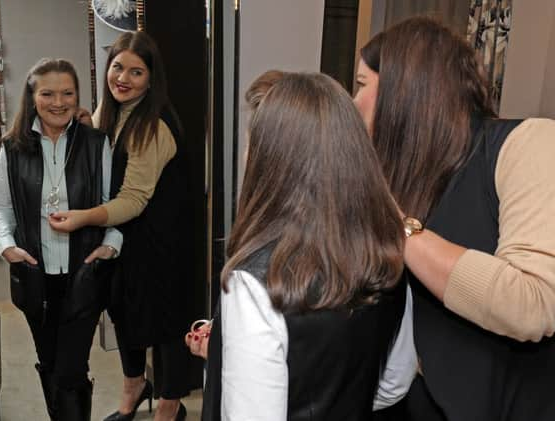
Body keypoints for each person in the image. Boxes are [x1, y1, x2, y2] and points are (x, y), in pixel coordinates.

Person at [354, 16, 555, 421]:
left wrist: (398, 226)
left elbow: (533, 303)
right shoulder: (410, 181)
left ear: (403, 89)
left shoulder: (528, 143)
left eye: (360, 84)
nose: (352, 101)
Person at [196, 70, 417, 421]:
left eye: (252, 141)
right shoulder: (387, 254)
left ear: (271, 159)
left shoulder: (254, 282)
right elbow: (393, 383)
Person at [48, 31, 190, 421]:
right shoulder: (109, 111)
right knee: (123, 313)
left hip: (160, 241)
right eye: (117, 67)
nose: (123, 78)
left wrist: (83, 218)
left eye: (136, 71)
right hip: (124, 236)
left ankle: (169, 406)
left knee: (164, 324)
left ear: (152, 78)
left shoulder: (154, 125)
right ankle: (134, 388)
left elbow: (133, 198)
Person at [0, 58, 122, 421]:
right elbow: (1, 207)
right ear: (33, 98)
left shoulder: (96, 144)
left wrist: (110, 245)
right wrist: (6, 246)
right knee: (49, 363)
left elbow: (114, 203)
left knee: (69, 370)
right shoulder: (13, 148)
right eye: (48, 93)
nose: (58, 102)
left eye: (68, 93)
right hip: (34, 274)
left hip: (83, 274)